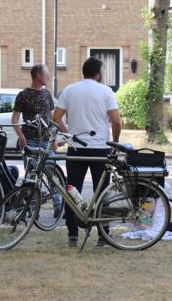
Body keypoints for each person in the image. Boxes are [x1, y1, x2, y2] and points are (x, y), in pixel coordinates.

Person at [53, 57, 122, 247]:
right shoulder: (106, 91)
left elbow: (55, 117)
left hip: (76, 148)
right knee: (102, 193)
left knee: (72, 191)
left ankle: (72, 235)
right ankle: (103, 235)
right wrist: (115, 143)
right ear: (98, 73)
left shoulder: (69, 90)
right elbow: (116, 121)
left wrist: (67, 132)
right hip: (100, 148)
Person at [11, 64, 62, 217]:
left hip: (46, 142)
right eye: (46, 74)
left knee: (53, 175)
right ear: (38, 75)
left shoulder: (47, 94)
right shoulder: (23, 95)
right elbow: (14, 119)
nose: (48, 76)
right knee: (32, 176)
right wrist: (21, 136)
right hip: (31, 142)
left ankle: (58, 205)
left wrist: (54, 138)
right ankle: (33, 209)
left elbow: (52, 119)